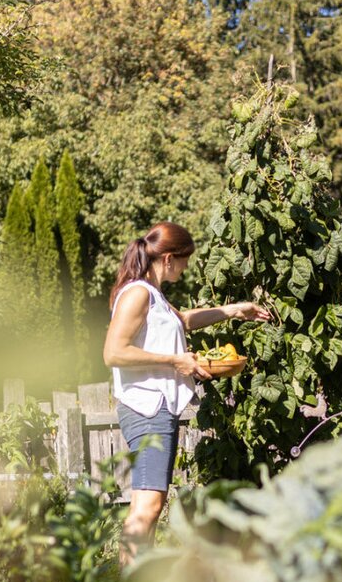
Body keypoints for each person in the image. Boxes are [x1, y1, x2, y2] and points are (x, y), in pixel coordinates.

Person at [103, 221, 270, 563]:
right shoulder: (137, 293)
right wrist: (174, 360)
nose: (186, 267)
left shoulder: (154, 295)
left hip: (156, 408)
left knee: (148, 504)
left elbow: (185, 321)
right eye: (184, 260)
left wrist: (236, 310)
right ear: (168, 259)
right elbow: (113, 353)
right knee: (148, 505)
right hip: (147, 409)